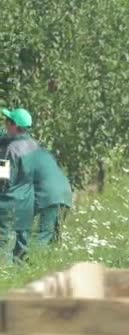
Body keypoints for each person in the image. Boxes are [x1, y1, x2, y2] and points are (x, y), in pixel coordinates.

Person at [0, 107, 40, 263]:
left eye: (7, 121)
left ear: (14, 125)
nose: (4, 123)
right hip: (28, 198)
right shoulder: (34, 145)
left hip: (9, 198)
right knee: (22, 239)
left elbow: (2, 177)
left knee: (2, 236)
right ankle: (20, 266)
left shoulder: (10, 149)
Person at [31, 147, 73, 245]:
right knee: (55, 236)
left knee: (44, 235)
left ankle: (35, 258)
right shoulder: (43, 155)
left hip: (49, 194)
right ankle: (52, 257)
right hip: (66, 193)